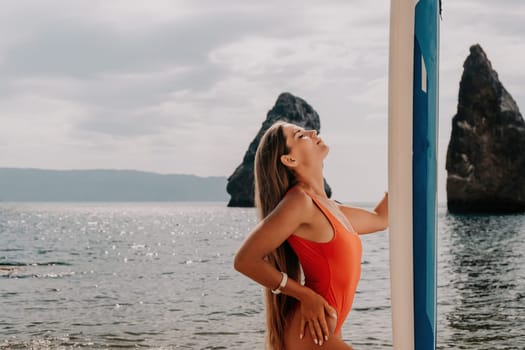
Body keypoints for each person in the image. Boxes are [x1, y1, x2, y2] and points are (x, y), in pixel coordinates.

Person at [234, 121, 388, 350]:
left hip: (322, 328)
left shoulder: (331, 208)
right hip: (309, 329)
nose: (312, 132)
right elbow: (244, 261)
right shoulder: (299, 202)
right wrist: (306, 296)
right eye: (300, 134)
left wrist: (405, 159)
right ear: (290, 160)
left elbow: (381, 218)